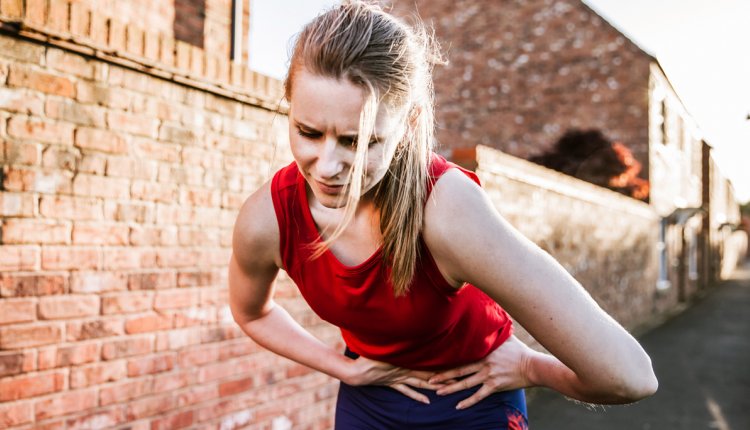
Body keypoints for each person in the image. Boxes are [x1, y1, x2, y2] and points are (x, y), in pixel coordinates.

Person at [228, 1, 658, 428]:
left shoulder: (447, 209)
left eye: (357, 142)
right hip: (368, 403)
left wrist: (531, 368)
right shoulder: (269, 216)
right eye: (308, 132)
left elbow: (628, 377)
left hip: (473, 404)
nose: (326, 166)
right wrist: (345, 368)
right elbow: (252, 312)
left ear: (409, 125)